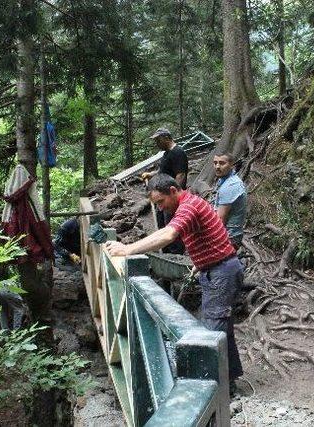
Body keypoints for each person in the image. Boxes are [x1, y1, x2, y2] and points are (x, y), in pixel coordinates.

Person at [105, 174, 244, 393]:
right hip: (216, 268)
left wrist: (127, 249)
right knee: (222, 327)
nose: (159, 208)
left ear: (172, 190)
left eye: (160, 202)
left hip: (221, 271)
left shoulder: (188, 206)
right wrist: (201, 262)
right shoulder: (188, 204)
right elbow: (201, 234)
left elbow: (168, 235)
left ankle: (214, 391)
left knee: (214, 328)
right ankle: (230, 382)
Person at [141, 127, 188, 254]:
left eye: (158, 140)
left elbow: (180, 175)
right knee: (163, 225)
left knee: (172, 228)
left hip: (171, 199)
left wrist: (174, 198)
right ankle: (166, 253)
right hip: (164, 198)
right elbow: (164, 171)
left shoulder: (178, 153)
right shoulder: (167, 153)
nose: (156, 143)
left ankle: (176, 255)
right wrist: (152, 174)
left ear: (167, 138)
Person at [212, 152, 247, 249]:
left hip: (229, 237)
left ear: (231, 165)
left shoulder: (230, 186)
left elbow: (220, 220)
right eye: (215, 163)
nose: (217, 166)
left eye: (222, 163)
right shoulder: (225, 180)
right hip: (229, 234)